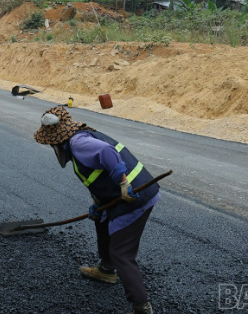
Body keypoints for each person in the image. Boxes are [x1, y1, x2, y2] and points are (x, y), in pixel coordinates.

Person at [34, 106, 160, 314]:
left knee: (122, 253)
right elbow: (99, 174)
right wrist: (99, 204)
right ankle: (106, 270)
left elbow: (106, 152)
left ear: (55, 140)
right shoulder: (80, 138)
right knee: (101, 219)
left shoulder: (78, 143)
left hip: (135, 196)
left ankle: (142, 306)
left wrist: (124, 184)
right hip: (128, 194)